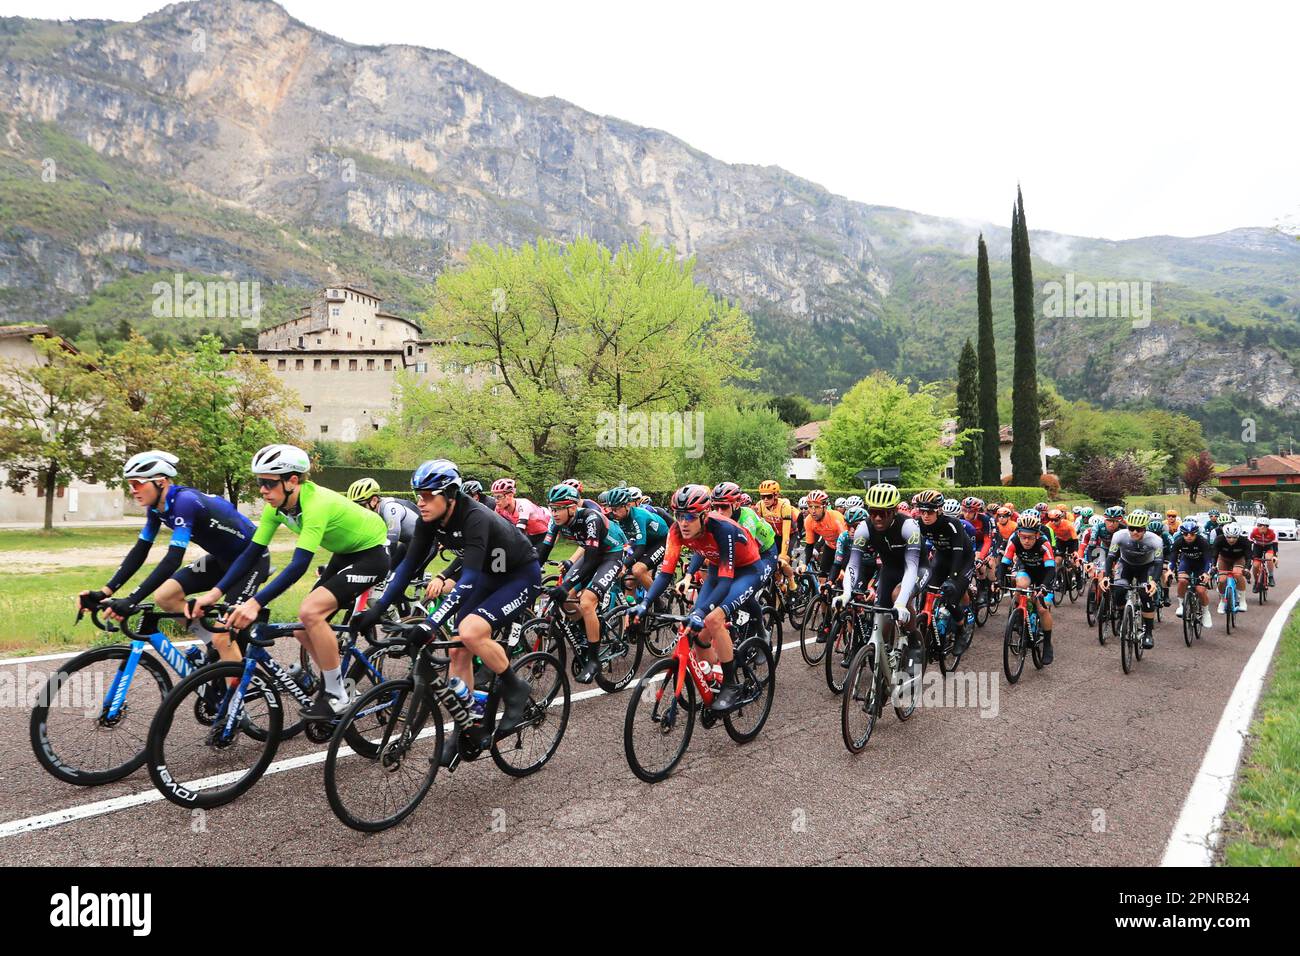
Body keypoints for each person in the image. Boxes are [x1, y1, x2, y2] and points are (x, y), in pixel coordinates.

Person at [349, 459, 540, 764]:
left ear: (450, 495)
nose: (419, 503)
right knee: (457, 651)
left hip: (519, 574)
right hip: (491, 575)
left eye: (427, 496)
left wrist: (430, 622)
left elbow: (471, 576)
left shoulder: (475, 516)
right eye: (417, 496)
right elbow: (408, 566)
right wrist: (379, 608)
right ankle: (466, 726)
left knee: (471, 631)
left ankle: (515, 687)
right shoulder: (429, 520)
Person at [190, 444, 389, 719]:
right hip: (345, 553)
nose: (262, 490)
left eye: (269, 483)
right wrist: (215, 592)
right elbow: (250, 555)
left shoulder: (316, 503)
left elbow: (298, 565)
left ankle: (336, 694)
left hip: (373, 554)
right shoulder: (277, 507)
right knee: (301, 628)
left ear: (292, 481)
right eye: (259, 482)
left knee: (310, 611)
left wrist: (256, 603)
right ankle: (340, 686)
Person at [85, 450, 267, 664]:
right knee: (165, 597)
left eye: (137, 483)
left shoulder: (185, 502)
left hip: (252, 562)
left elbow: (172, 560)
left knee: (223, 636)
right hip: (221, 560)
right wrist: (105, 591)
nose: (132, 490)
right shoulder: (156, 509)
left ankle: (234, 693)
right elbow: (140, 551)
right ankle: (214, 647)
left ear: (160, 482)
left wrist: (132, 600)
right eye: (130, 484)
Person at [632, 485, 765, 713]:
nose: (683, 522)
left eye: (690, 517)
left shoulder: (723, 529)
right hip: (717, 569)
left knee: (712, 619)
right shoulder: (675, 531)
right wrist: (644, 603)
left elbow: (726, 582)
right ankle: (714, 677)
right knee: (695, 632)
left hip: (748, 571)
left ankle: (731, 685)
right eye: (679, 515)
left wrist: (702, 612)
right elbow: (665, 574)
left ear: (704, 516)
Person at [535, 483, 629, 683]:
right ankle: (587, 633)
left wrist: (566, 585)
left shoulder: (591, 519)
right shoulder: (555, 522)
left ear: (572, 508)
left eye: (559, 508)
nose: (555, 513)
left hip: (610, 555)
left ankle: (594, 661)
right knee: (567, 599)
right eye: (552, 508)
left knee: (586, 601)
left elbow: (593, 560)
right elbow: (542, 553)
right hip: (591, 555)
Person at [999, 511, 1057, 664]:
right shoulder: (1014, 540)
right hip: (1026, 569)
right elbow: (1004, 563)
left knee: (1042, 608)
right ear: (1018, 533)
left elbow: (1051, 569)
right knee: (1021, 585)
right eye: (1023, 536)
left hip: (1044, 574)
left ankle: (1047, 644)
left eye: (1030, 537)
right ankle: (1020, 614)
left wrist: (1044, 586)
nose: (1026, 541)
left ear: (1037, 535)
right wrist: (998, 582)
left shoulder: (1044, 544)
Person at [1170, 519, 1214, 629]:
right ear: (1182, 534)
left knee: (1200, 590)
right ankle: (1181, 605)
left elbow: (1208, 559)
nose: (1189, 536)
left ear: (1196, 534)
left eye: (1192, 534)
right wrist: (1170, 570)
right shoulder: (1179, 541)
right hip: (1187, 562)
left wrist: (1206, 573)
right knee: (1182, 580)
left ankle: (1205, 613)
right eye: (1185, 534)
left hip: (1201, 564)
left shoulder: (1202, 542)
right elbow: (1173, 558)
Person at [491, 478, 551, 546]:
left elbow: (519, 531)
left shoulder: (523, 505)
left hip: (546, 531)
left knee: (537, 555)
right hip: (530, 534)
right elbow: (493, 526)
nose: (496, 501)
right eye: (494, 497)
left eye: (499, 497)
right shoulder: (499, 508)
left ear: (510, 495)